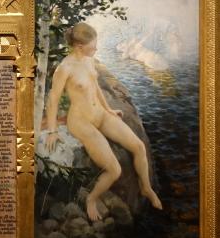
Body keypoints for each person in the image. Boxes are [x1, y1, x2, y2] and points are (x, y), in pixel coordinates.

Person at [43, 22, 163, 221]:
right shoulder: (65, 68)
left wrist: (108, 109)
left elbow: (95, 86)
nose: (96, 49)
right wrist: (52, 131)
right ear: (79, 46)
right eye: (93, 46)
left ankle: (146, 187)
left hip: (100, 114)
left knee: (139, 147)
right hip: (81, 122)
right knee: (114, 170)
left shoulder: (89, 60)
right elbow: (53, 99)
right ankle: (92, 198)